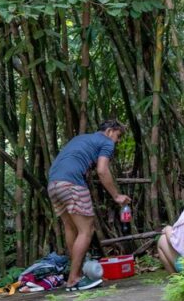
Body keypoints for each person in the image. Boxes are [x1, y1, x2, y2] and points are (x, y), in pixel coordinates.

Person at [47, 119, 131, 291]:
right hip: (71, 184)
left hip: (54, 184)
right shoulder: (106, 142)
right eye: (118, 135)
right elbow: (102, 169)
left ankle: (76, 275)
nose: (118, 140)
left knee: (72, 229)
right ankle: (74, 278)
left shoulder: (80, 138)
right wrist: (116, 196)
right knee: (86, 230)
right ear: (109, 131)